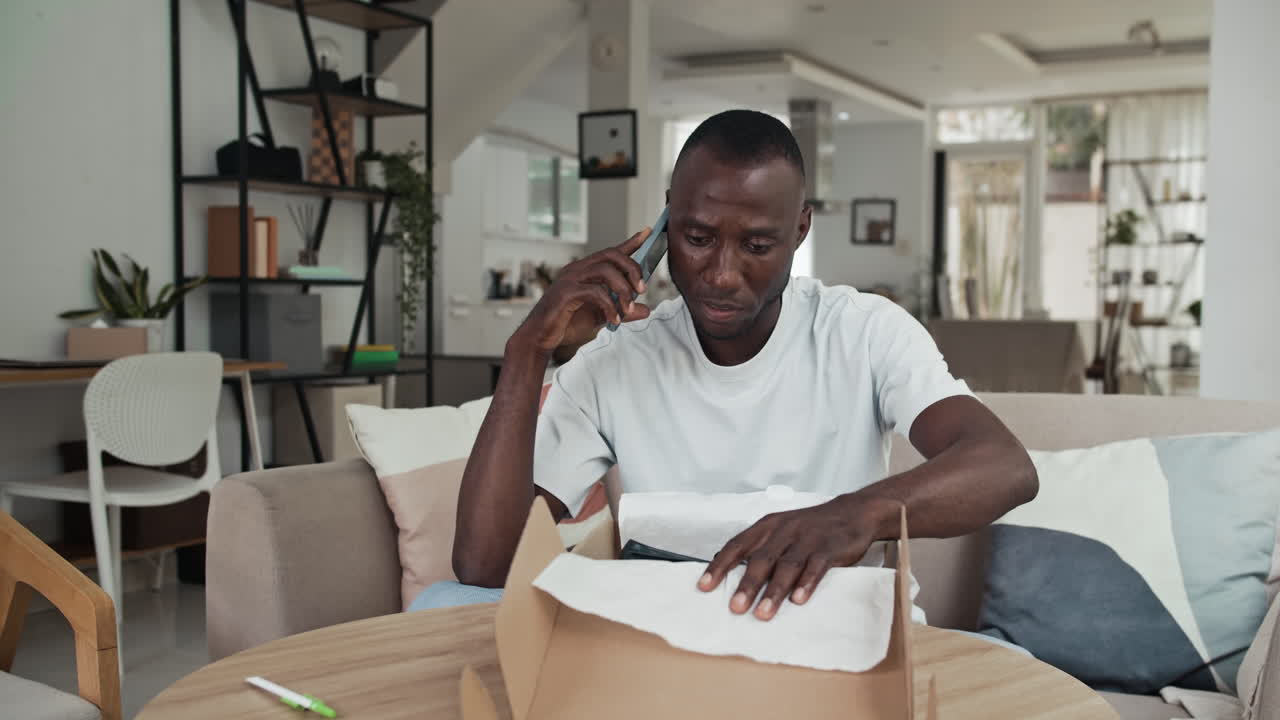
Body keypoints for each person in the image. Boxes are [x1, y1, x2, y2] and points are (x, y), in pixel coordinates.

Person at [422, 109, 1038, 623]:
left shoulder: (863, 332)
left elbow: (1004, 467)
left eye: (757, 245)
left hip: (844, 638)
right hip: (675, 646)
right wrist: (526, 352)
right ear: (667, 222)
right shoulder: (616, 360)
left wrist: (851, 515)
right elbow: (484, 565)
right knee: (440, 605)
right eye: (696, 237)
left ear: (800, 230)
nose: (720, 274)